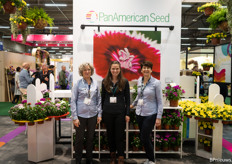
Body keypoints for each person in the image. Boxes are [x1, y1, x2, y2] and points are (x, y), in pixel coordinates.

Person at [130, 61, 163, 164]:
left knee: (144, 136)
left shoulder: (156, 83)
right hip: (139, 113)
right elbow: (139, 96)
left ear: (151, 70)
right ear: (141, 70)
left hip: (150, 113)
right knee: (144, 137)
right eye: (144, 68)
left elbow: (160, 101)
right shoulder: (139, 80)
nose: (146, 70)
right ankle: (149, 158)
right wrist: (133, 104)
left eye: (148, 68)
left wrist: (159, 117)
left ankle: (152, 160)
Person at [71, 63, 102, 164]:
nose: (87, 71)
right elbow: (73, 101)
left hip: (92, 115)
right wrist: (75, 117)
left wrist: (99, 114)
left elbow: (98, 100)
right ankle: (78, 160)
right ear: (82, 72)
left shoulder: (95, 84)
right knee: (79, 139)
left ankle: (89, 159)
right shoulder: (78, 84)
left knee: (90, 138)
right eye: (85, 70)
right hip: (80, 115)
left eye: (88, 69)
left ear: (91, 71)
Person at [101, 61, 130, 164]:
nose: (115, 70)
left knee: (119, 136)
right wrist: (101, 113)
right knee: (110, 135)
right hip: (108, 112)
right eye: (113, 68)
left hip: (120, 113)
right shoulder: (105, 81)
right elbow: (102, 98)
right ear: (110, 69)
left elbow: (127, 99)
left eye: (117, 68)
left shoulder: (124, 82)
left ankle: (121, 156)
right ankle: (112, 156)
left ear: (120, 69)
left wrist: (127, 113)